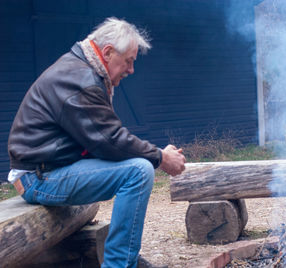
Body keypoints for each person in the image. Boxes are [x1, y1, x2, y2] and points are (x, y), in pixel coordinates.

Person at [7, 17, 185, 268]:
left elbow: (105, 138)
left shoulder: (84, 71)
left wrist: (154, 154)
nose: (131, 69)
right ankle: (118, 264)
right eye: (129, 61)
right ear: (108, 52)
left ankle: (123, 259)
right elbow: (110, 140)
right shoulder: (80, 80)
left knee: (136, 166)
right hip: (38, 177)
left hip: (50, 169)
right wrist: (160, 157)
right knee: (139, 171)